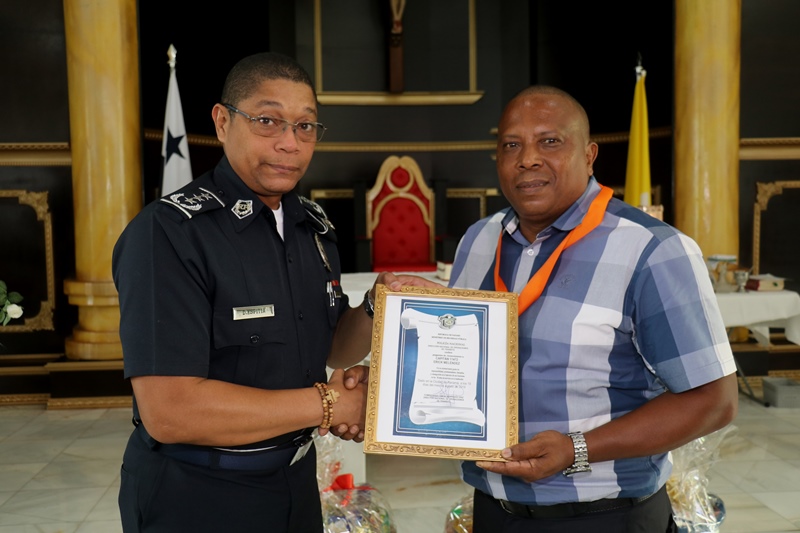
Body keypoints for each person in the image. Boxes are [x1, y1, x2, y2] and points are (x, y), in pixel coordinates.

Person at [112, 52, 437, 533]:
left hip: (295, 483)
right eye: (268, 121)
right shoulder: (170, 233)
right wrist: (331, 404)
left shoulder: (313, 227)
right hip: (198, 495)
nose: (290, 143)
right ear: (223, 122)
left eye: (305, 127)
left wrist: (376, 305)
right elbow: (171, 411)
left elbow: (331, 347)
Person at [447, 85, 739, 532]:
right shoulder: (478, 240)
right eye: (511, 145)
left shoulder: (653, 249)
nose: (527, 159)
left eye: (550, 141)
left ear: (589, 155)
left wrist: (576, 448)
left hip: (606, 517)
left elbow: (715, 401)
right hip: (493, 511)